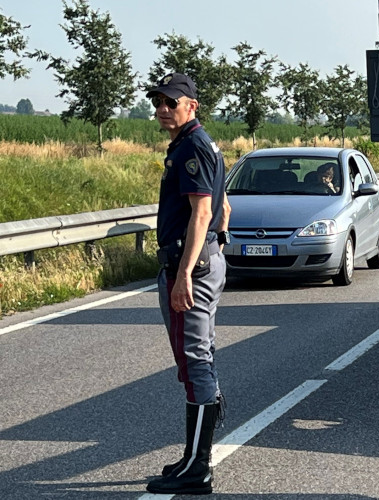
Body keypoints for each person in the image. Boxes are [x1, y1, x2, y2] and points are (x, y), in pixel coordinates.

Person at [145, 72, 231, 496]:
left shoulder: (192, 147)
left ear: (192, 105)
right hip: (202, 260)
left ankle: (197, 468)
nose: (163, 109)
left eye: (171, 102)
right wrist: (219, 244)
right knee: (199, 357)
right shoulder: (199, 144)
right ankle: (194, 457)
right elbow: (224, 207)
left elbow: (202, 213)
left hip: (189, 265)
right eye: (158, 102)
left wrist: (184, 274)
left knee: (194, 362)